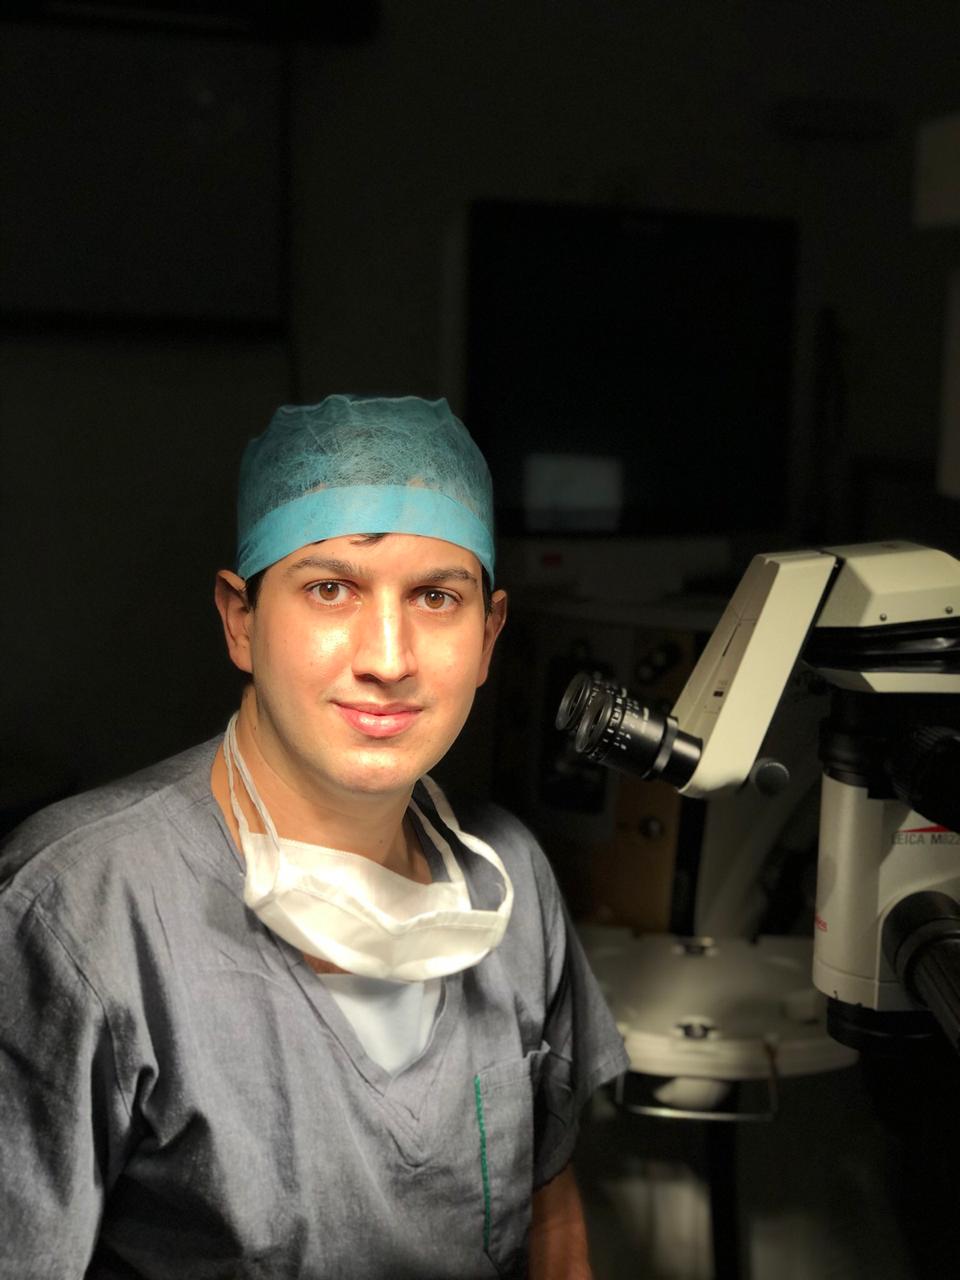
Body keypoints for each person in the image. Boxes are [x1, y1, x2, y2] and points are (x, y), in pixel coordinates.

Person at [0, 395, 628, 1279]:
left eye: (437, 597)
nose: (388, 658)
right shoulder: (82, 908)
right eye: (331, 589)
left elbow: (549, 1195)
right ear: (241, 619)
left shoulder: (511, 883)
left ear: (489, 636)